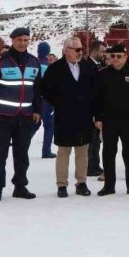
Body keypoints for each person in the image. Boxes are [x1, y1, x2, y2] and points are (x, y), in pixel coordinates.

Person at [0, 27, 42, 201]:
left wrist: (37, 110)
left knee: (22, 155)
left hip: (25, 116)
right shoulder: (1, 61)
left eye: (26, 40)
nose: (22, 43)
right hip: (2, 116)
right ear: (12, 40)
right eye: (19, 40)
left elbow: (37, 90)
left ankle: (20, 186)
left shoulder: (34, 62)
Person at [41, 36, 98, 198]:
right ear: (66, 50)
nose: (80, 53)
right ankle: (61, 184)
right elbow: (46, 91)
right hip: (64, 116)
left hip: (84, 116)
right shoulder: (55, 69)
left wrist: (93, 110)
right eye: (77, 50)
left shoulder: (88, 67)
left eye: (81, 49)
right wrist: (60, 103)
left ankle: (81, 182)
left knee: (82, 151)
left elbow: (96, 90)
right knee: (64, 151)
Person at [93, 44, 129, 196]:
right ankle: (109, 186)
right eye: (113, 56)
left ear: (125, 57)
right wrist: (97, 117)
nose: (115, 59)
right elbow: (97, 98)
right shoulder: (103, 73)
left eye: (119, 56)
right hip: (109, 121)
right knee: (108, 154)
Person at [85, 40, 107, 178]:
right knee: (91, 140)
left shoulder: (101, 65)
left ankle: (95, 164)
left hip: (99, 108)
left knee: (97, 140)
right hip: (90, 109)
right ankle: (90, 166)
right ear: (94, 51)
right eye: (102, 51)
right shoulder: (87, 66)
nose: (104, 54)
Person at [38, 46, 58, 159]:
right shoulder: (48, 67)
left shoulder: (33, 62)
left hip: (34, 98)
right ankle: (46, 151)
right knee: (49, 126)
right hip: (46, 100)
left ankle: (21, 145)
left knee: (35, 124)